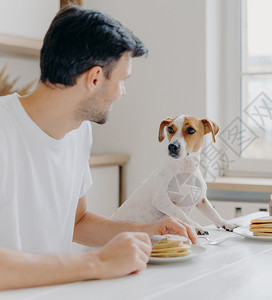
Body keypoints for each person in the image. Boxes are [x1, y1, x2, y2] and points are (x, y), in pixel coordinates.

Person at [0, 5, 198, 290]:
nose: (122, 92)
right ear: (94, 79)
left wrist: (147, 231)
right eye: (122, 81)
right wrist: (99, 263)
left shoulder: (80, 131)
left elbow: (76, 221)